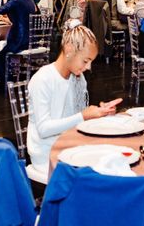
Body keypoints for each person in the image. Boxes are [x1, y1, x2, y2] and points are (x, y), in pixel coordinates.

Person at [27, 26, 122, 180]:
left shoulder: (77, 78)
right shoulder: (43, 79)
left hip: (71, 145)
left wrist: (99, 114)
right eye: (86, 61)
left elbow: (79, 118)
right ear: (69, 49)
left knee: (114, 160)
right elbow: (44, 129)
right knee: (101, 174)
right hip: (47, 154)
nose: (88, 67)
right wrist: (84, 116)